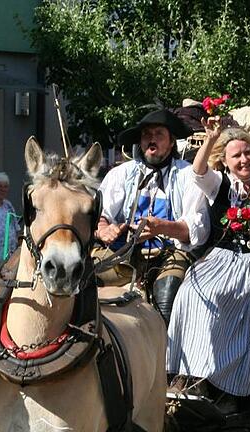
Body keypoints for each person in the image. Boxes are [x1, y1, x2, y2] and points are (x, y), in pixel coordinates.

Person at [166, 120, 250, 411]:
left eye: (248, 153)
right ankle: (187, 375)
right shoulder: (219, 183)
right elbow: (197, 171)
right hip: (218, 259)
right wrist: (210, 139)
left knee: (231, 302)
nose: (245, 159)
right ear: (225, 160)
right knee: (189, 294)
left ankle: (226, 387)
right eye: (237, 155)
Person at [95, 108, 208, 324]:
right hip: (122, 254)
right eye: (147, 134)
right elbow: (99, 216)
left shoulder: (188, 175)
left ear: (172, 141)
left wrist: (162, 227)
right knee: (81, 278)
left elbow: (197, 231)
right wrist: (104, 229)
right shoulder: (120, 174)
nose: (151, 139)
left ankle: (164, 353)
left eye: (158, 134)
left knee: (166, 298)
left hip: (168, 255)